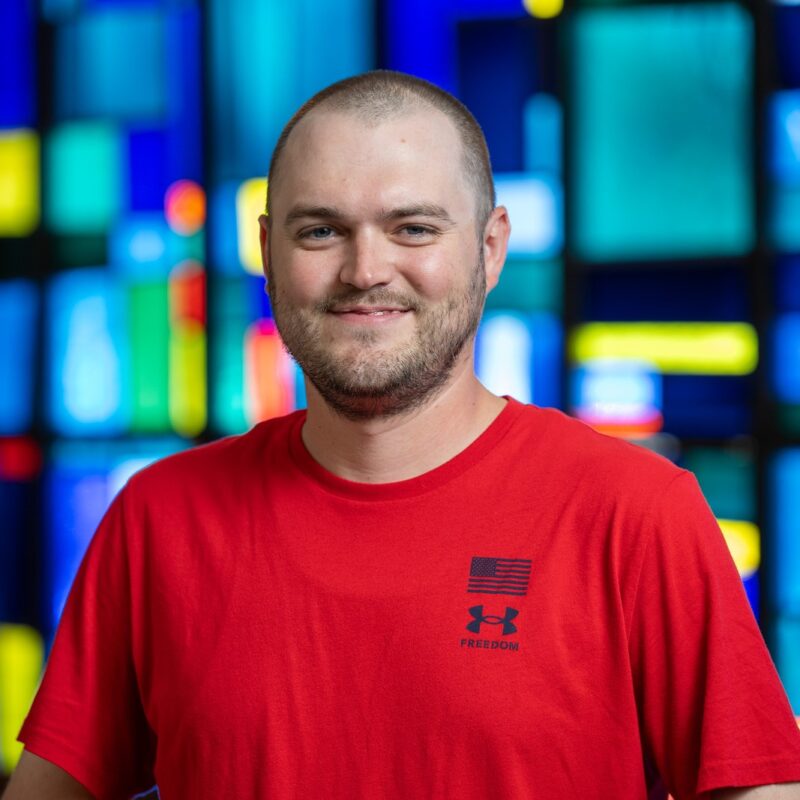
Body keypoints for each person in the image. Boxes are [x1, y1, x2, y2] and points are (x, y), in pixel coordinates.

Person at [5, 70, 800, 800]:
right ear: (267, 254)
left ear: (490, 250)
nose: (365, 269)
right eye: (320, 232)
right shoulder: (160, 520)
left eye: (413, 228)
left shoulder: (634, 512)